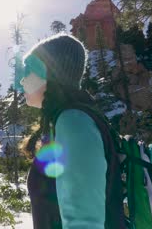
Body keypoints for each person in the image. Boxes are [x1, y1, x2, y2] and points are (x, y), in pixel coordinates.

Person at [19, 34, 125, 229]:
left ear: (49, 74)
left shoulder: (73, 123)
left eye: (28, 71)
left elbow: (84, 224)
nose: (22, 81)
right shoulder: (69, 120)